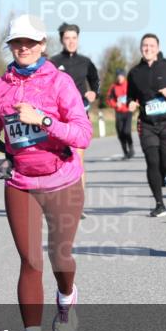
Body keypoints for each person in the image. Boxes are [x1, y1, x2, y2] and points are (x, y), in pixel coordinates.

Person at [0, 14, 92, 331]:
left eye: (29, 42)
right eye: (16, 42)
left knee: (61, 261)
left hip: (62, 180)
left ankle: (67, 297)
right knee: (30, 263)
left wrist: (42, 120)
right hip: (21, 182)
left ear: (43, 45)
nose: (22, 48)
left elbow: (82, 134)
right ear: (10, 46)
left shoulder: (61, 84)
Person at [127, 34, 166, 217]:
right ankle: (159, 204)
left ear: (158, 48)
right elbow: (130, 95)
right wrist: (131, 103)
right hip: (147, 125)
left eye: (152, 45)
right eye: (145, 45)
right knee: (152, 162)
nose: (148, 48)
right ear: (141, 48)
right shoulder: (135, 73)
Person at [50, 23, 100, 204]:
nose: (71, 41)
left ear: (78, 39)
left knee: (78, 159)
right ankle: (59, 200)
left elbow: (95, 81)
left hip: (79, 115)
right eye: (67, 38)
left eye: (74, 38)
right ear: (61, 40)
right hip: (57, 119)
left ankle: (78, 203)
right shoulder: (53, 62)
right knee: (58, 160)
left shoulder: (86, 62)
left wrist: (94, 92)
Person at [106, 69, 134, 158]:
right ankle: (125, 152)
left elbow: (135, 95)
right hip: (118, 113)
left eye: (121, 76)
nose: (119, 78)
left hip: (128, 111)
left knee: (126, 131)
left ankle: (131, 147)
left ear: (124, 76)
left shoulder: (129, 85)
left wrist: (134, 103)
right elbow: (108, 99)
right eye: (118, 76)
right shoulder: (113, 87)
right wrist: (115, 104)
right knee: (120, 133)